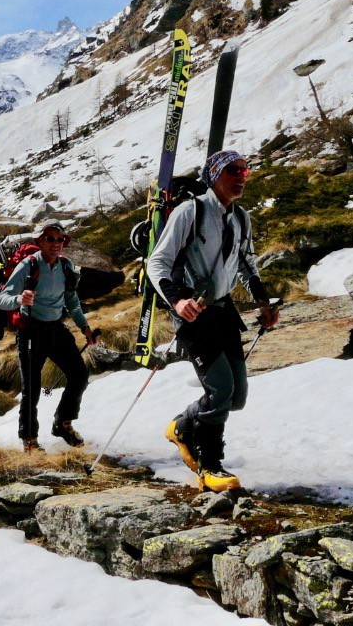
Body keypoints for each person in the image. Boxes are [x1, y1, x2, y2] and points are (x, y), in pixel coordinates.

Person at [148, 150, 279, 492]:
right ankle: (210, 466)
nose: (240, 176)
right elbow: (157, 263)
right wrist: (177, 300)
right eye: (232, 171)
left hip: (223, 311)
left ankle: (182, 425)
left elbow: (248, 263)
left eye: (244, 171)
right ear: (214, 176)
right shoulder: (190, 211)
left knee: (236, 397)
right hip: (193, 313)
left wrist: (264, 303)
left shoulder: (241, 218)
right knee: (220, 389)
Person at [0, 221, 97, 452]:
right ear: (40, 241)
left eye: (60, 239)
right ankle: (29, 440)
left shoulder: (66, 266)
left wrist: (85, 328)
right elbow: (2, 299)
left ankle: (63, 423)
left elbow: (72, 301)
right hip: (31, 330)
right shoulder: (28, 265)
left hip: (55, 328)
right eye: (50, 239)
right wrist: (19, 299)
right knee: (31, 387)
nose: (55, 244)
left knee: (79, 375)